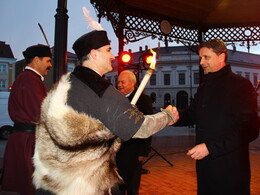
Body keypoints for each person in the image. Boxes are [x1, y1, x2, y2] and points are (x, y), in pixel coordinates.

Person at [32, 29, 179, 195]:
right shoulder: (98, 87)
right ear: (94, 54)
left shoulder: (64, 84)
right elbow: (141, 128)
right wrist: (167, 115)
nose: (113, 56)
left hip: (53, 182)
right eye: (108, 50)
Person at [176, 39, 259, 195]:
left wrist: (211, 148)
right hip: (206, 168)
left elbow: (250, 130)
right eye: (200, 57)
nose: (201, 62)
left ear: (221, 57)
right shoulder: (204, 87)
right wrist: (174, 117)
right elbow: (192, 114)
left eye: (206, 57)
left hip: (230, 170)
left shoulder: (241, 85)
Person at [1, 45, 52, 195]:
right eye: (48, 61)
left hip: (27, 140)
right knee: (28, 189)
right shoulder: (29, 80)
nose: (50, 65)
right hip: (27, 143)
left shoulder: (31, 79)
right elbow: (41, 113)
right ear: (36, 60)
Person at [116, 70, 153, 195]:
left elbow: (147, 127)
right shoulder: (114, 99)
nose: (119, 85)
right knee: (117, 186)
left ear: (132, 83)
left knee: (132, 187)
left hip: (133, 151)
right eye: (118, 82)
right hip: (116, 151)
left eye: (123, 82)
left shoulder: (143, 100)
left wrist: (143, 151)